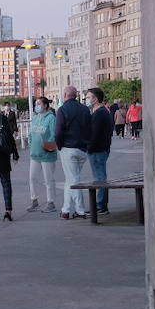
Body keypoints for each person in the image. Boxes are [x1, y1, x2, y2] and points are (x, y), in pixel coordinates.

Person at [53, 86, 92, 220]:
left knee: (73, 180)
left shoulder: (62, 110)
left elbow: (58, 132)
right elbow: (89, 128)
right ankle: (65, 210)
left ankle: (80, 211)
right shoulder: (85, 109)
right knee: (70, 179)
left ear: (65, 95)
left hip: (68, 148)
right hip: (82, 149)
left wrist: (59, 145)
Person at [26, 96, 59, 213]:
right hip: (34, 154)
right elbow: (30, 133)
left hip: (47, 154)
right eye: (36, 104)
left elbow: (54, 134)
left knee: (48, 179)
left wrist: (47, 147)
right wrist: (31, 145)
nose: (37, 106)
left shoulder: (51, 118)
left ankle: (51, 202)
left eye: (39, 104)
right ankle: (34, 200)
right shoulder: (35, 118)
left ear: (45, 105)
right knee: (32, 178)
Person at [86, 88, 115, 216]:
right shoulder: (103, 112)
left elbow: (95, 135)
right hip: (101, 148)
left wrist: (89, 148)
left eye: (88, 97)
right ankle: (100, 205)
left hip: (98, 150)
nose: (87, 100)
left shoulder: (99, 114)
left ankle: (101, 206)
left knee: (100, 178)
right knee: (99, 177)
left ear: (95, 99)